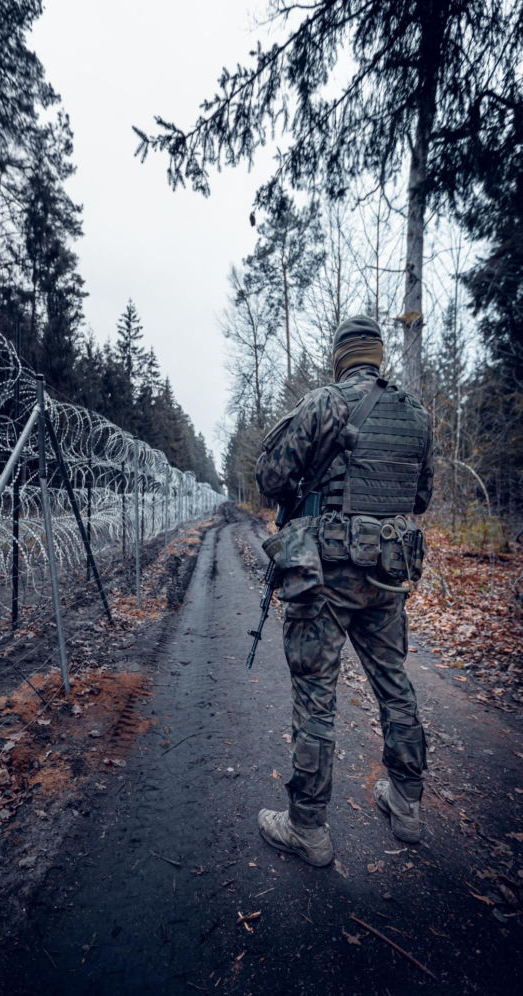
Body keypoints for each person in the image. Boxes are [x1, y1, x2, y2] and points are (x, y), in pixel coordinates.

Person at [254, 315, 434, 867]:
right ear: (379, 356)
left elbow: (271, 479)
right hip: (386, 574)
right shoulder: (417, 417)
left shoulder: (323, 403)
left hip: (325, 576)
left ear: (341, 356)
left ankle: (308, 827)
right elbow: (421, 499)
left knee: (316, 697)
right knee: (394, 685)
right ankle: (406, 804)